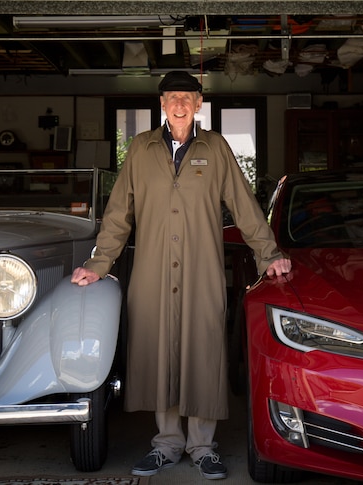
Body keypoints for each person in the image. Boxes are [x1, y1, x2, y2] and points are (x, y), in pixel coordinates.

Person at [71, 70, 291, 480]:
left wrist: (269, 254)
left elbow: (244, 207)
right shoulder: (140, 149)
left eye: (187, 97)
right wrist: (98, 264)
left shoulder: (216, 147)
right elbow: (119, 213)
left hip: (202, 271)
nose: (179, 103)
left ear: (198, 103)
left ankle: (203, 447)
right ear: (161, 104)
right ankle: (167, 444)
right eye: (172, 96)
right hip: (153, 271)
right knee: (160, 352)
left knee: (202, 352)